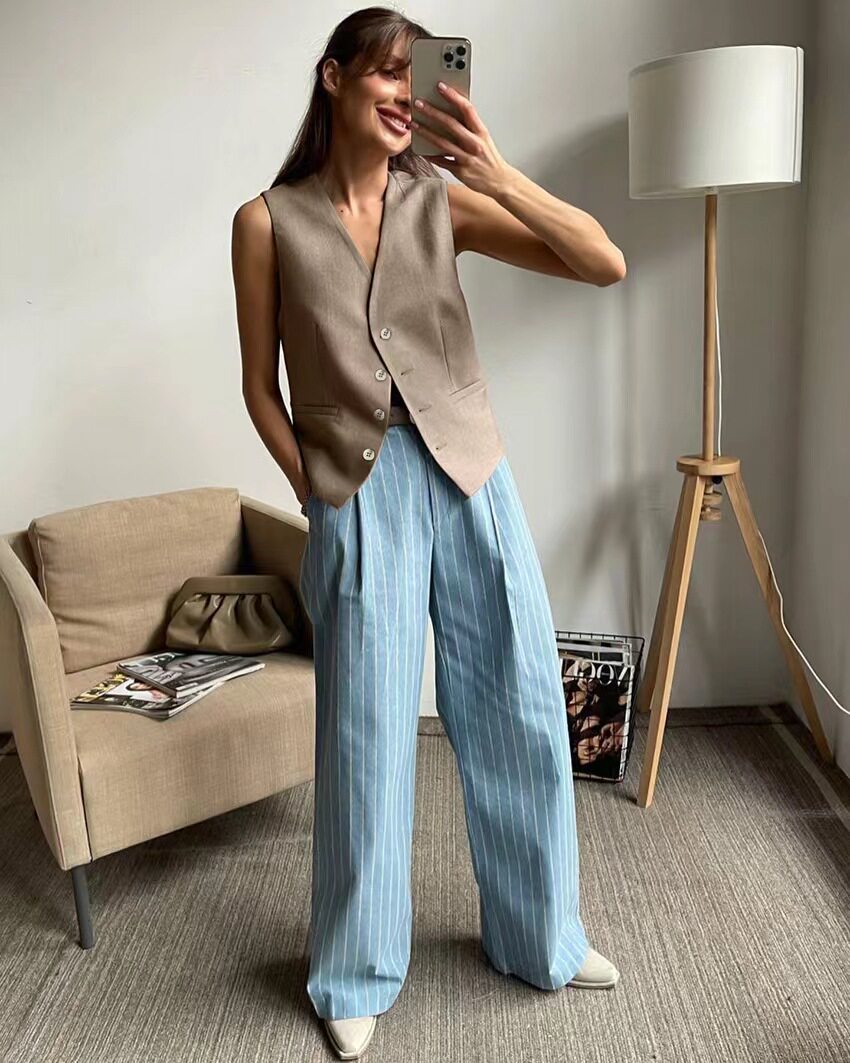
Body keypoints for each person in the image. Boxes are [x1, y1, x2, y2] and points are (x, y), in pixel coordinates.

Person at [231, 8, 626, 1059]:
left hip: (472, 474)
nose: (407, 95)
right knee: (365, 732)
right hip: (358, 490)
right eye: (388, 75)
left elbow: (604, 263)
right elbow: (259, 386)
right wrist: (317, 493)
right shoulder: (266, 222)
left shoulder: (440, 201)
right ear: (333, 78)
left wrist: (497, 174)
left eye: (421, 77)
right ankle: (354, 967)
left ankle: (541, 938)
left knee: (521, 709)